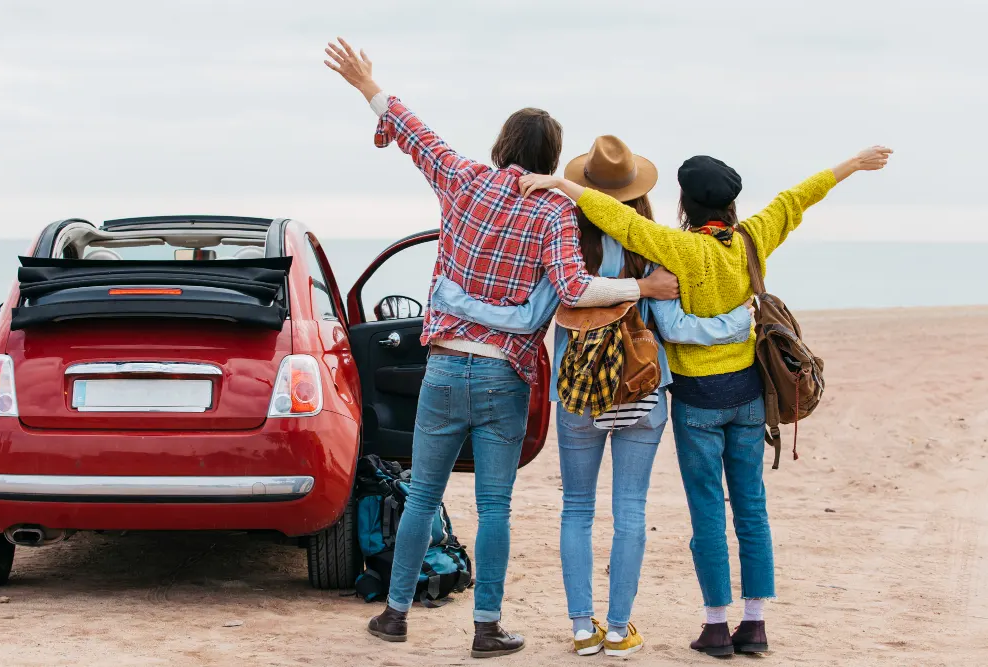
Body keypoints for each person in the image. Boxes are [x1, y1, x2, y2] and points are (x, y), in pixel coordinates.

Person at [323, 39, 679, 659]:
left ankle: (395, 615)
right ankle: (486, 627)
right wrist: (642, 286)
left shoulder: (462, 179)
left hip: (441, 369)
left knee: (422, 495)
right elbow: (572, 288)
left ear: (500, 146)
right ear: (552, 160)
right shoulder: (552, 213)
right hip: (502, 376)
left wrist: (367, 85)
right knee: (494, 507)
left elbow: (412, 132)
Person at [517, 145, 893, 656]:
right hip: (748, 398)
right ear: (731, 206)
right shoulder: (752, 239)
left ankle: (716, 625)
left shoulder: (676, 247)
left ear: (684, 206)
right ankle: (754, 624)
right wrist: (851, 164)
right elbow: (797, 198)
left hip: (696, 404)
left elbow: (615, 219)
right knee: (752, 509)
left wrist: (564, 186)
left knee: (707, 514)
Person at [429, 135, 754, 658]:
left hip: (579, 392)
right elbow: (672, 323)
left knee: (576, 509)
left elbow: (539, 307)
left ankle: (583, 628)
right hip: (642, 391)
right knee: (630, 509)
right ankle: (621, 628)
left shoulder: (563, 234)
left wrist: (453, 300)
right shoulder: (654, 244)